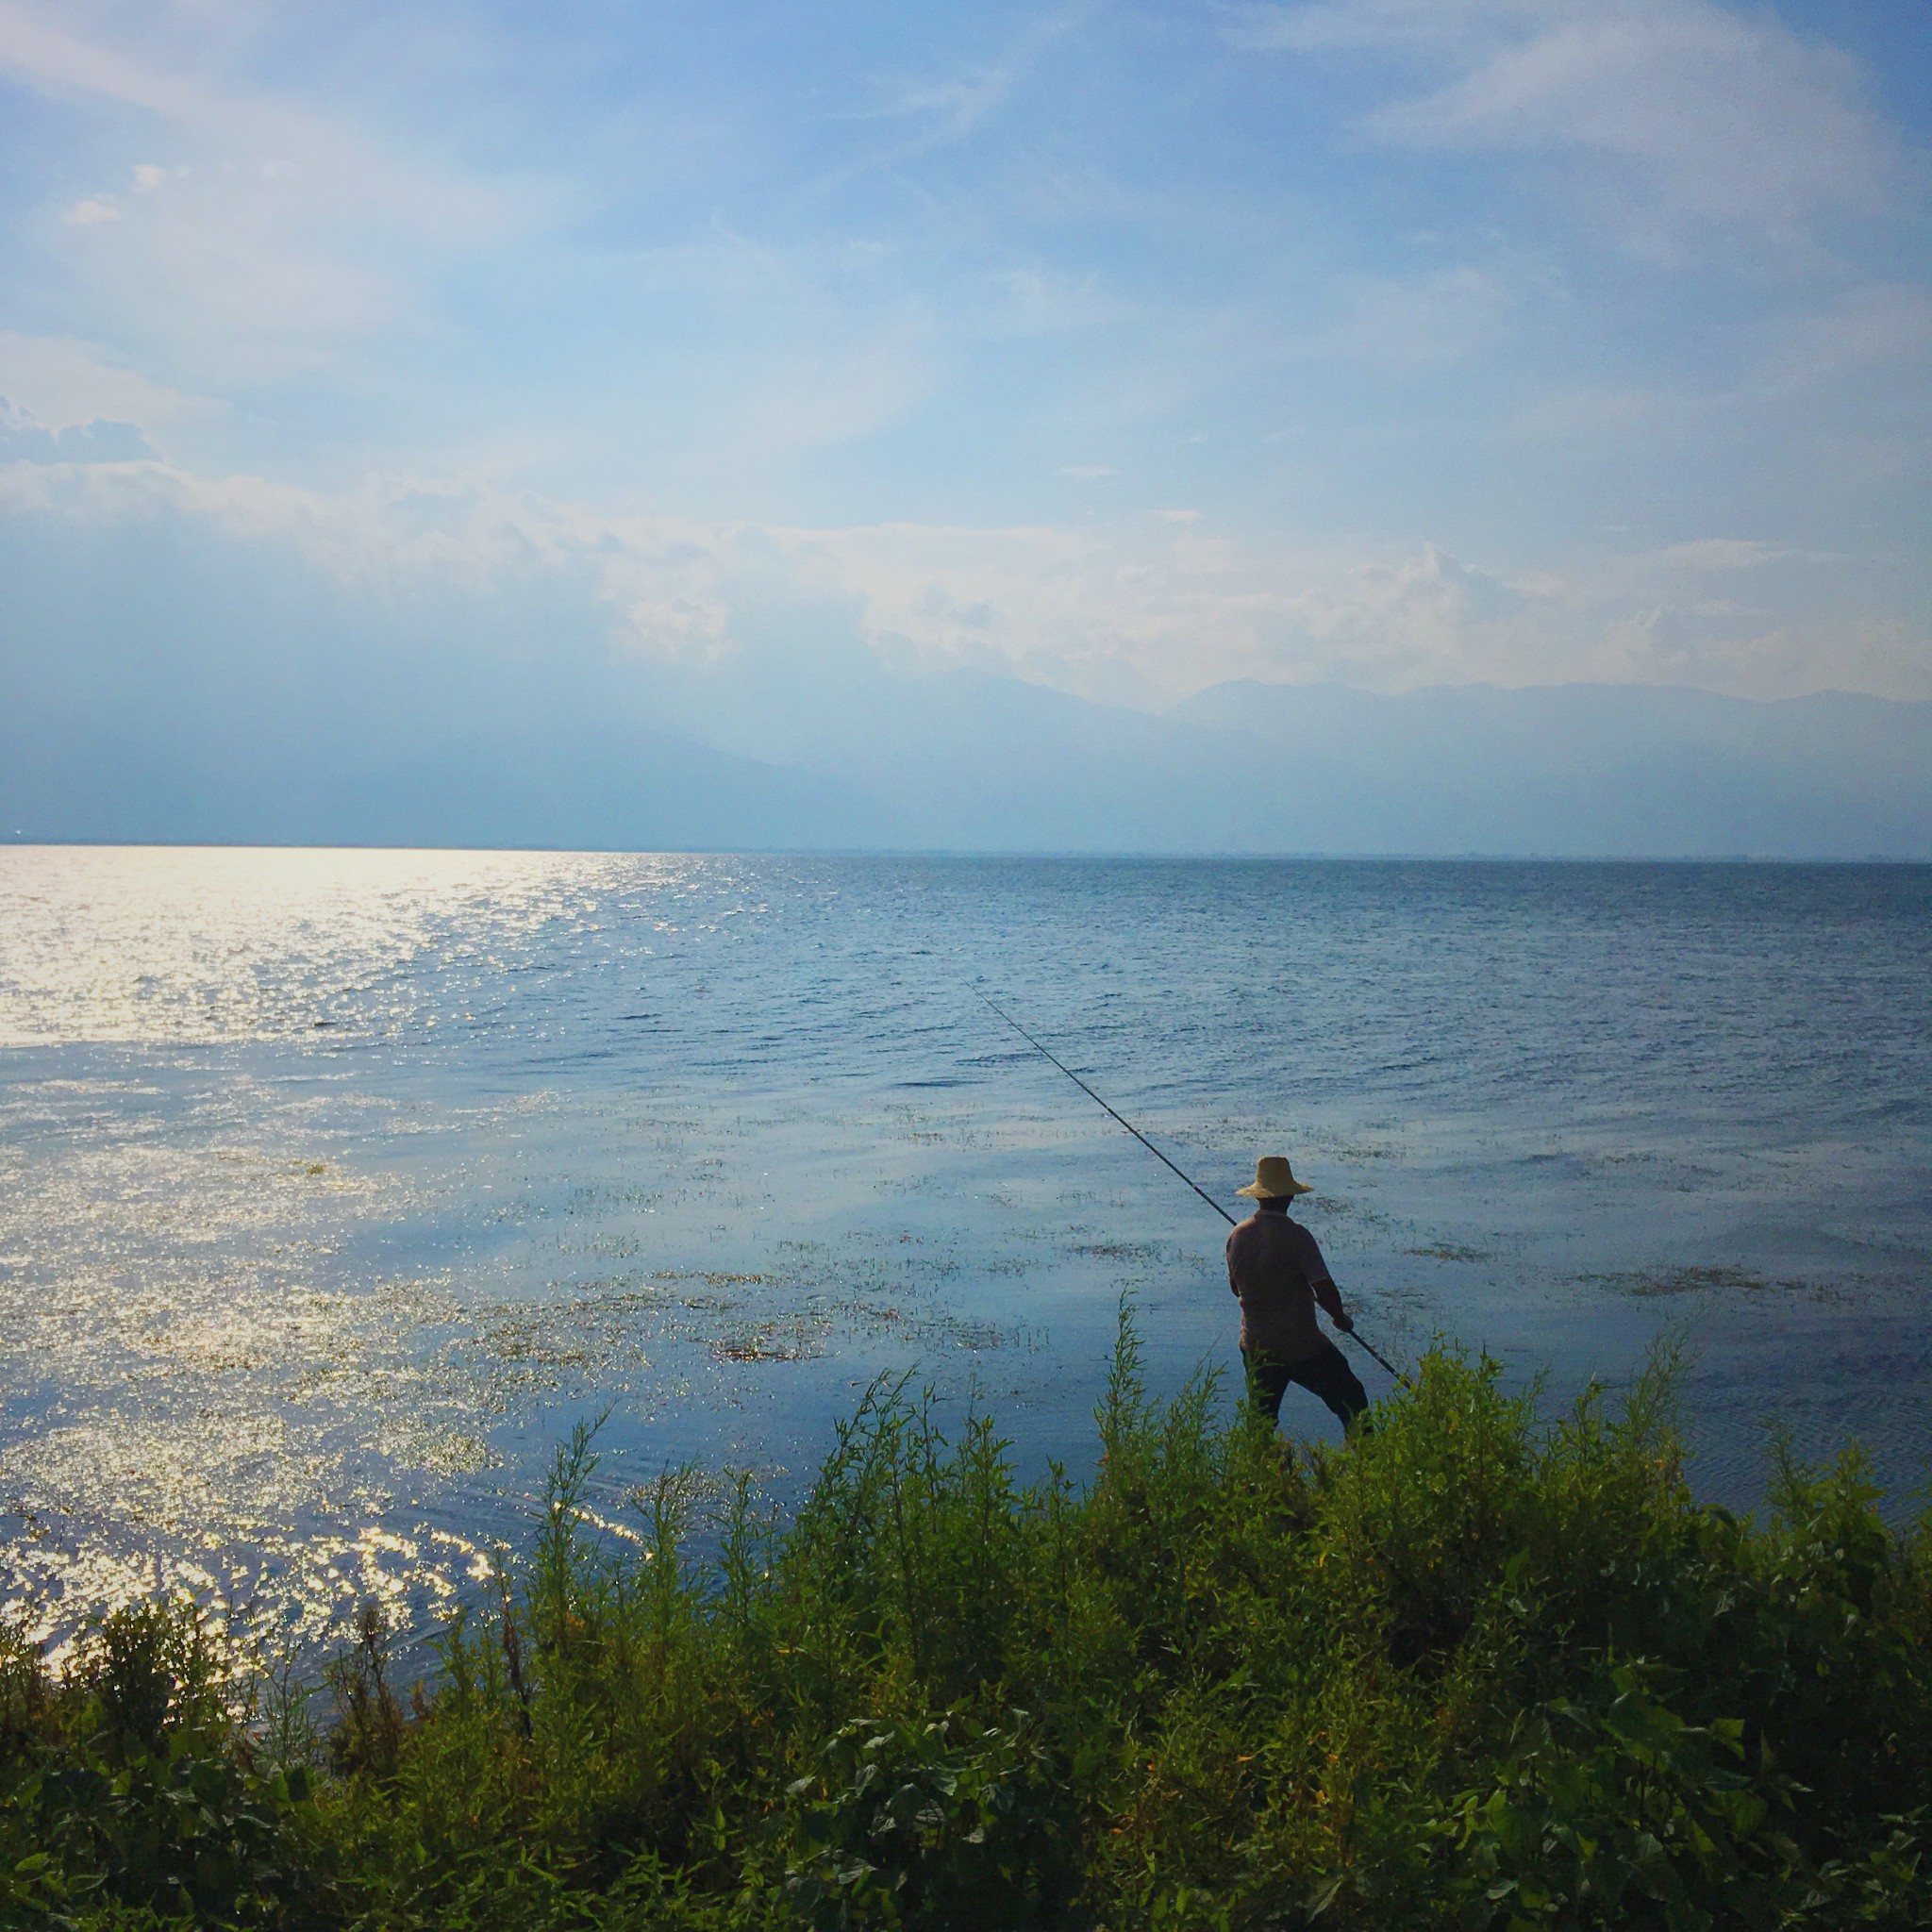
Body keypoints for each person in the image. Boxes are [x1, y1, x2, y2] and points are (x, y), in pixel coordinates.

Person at [1226, 1156, 1369, 1432]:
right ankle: (1368, 1460)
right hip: (1301, 1346)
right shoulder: (1298, 1236)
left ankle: (1256, 1469)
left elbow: (1236, 1289)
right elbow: (1324, 1288)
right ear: (1290, 1196)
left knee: (1261, 1421)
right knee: (1352, 1399)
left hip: (1256, 1346)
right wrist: (1340, 1319)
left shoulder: (1236, 1236)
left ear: (1259, 1196)